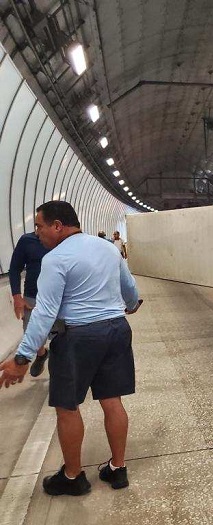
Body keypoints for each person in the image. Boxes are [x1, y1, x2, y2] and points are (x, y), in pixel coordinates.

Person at [0, 201, 142, 496]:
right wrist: (127, 306)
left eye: (39, 226)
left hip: (78, 338)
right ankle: (118, 469)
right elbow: (130, 290)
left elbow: (44, 312)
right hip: (116, 330)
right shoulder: (107, 248)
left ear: (57, 226)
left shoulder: (57, 259)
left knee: (67, 407)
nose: (36, 232)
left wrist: (23, 356)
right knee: (112, 400)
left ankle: (73, 476)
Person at [9, 230, 51, 377]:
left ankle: (61, 373)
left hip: (59, 296)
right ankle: (42, 354)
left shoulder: (63, 240)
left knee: (63, 336)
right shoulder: (27, 240)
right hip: (32, 296)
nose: (39, 229)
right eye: (37, 225)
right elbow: (14, 268)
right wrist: (17, 297)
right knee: (32, 334)